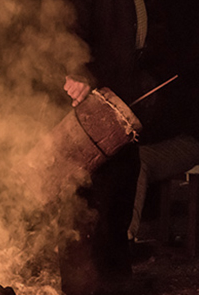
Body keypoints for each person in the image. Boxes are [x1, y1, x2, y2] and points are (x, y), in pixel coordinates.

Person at [59, 0, 199, 294]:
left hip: (129, 116)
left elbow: (158, 44)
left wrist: (148, 83)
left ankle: (117, 284)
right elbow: (66, 32)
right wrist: (76, 74)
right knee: (85, 212)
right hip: (92, 112)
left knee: (118, 206)